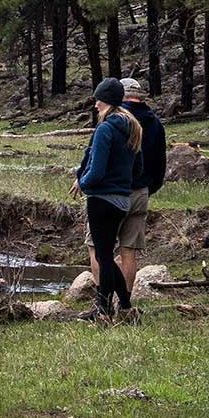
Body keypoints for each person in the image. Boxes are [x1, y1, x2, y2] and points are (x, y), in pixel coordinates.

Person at [70, 77, 144, 317]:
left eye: (98, 99)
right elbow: (138, 169)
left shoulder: (105, 129)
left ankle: (113, 307)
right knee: (107, 256)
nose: (95, 105)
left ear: (107, 101)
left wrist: (83, 183)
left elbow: (97, 170)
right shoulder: (133, 126)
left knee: (104, 257)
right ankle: (119, 307)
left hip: (102, 200)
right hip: (123, 200)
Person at [86, 77, 167, 296]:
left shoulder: (113, 121)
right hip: (141, 192)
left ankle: (102, 299)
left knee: (98, 248)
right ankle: (125, 301)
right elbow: (160, 164)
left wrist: (85, 182)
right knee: (128, 251)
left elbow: (97, 161)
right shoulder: (155, 123)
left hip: (110, 193)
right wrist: (149, 189)